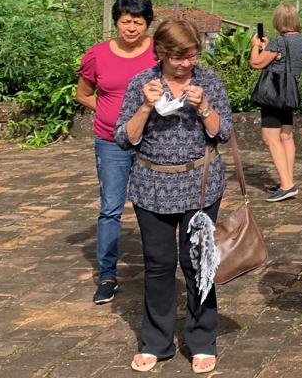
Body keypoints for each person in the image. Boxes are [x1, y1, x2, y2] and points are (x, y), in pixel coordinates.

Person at [114, 19, 233, 374]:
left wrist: (205, 108)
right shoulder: (142, 83)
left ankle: (201, 340)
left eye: (192, 56)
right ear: (162, 53)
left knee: (199, 264)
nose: (186, 64)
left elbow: (223, 132)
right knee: (159, 265)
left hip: (200, 184)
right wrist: (146, 107)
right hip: (152, 185)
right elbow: (124, 137)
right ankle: (156, 341)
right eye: (179, 57)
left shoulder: (208, 81)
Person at [76, 0, 158, 305]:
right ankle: (107, 273)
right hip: (110, 141)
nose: (132, 28)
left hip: (153, 141)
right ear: (116, 22)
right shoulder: (97, 55)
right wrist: (113, 112)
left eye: (138, 22)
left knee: (154, 205)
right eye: (126, 21)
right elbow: (84, 94)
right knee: (111, 207)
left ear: (147, 24)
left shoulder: (158, 53)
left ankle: (157, 268)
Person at [248, 3, 302, 202]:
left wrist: (255, 46)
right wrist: (269, 48)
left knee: (270, 138)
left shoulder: (279, 41)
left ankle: (286, 185)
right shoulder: (301, 40)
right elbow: (282, 61)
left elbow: (256, 63)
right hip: (290, 92)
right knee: (286, 137)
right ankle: (288, 180)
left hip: (274, 94)